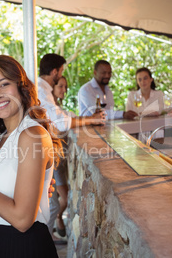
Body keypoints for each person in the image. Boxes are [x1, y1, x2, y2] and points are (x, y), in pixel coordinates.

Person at [0, 55, 61, 257]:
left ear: (21, 87)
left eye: (4, 84)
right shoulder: (2, 139)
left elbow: (23, 220)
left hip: (23, 245)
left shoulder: (32, 135)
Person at [37, 53, 106, 242]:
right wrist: (91, 119)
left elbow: (59, 116)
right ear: (55, 71)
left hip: (46, 152)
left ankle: (44, 242)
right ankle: (43, 246)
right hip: (40, 152)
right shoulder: (41, 91)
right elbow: (59, 122)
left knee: (49, 205)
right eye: (61, 71)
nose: (61, 76)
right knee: (49, 206)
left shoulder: (44, 90)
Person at [50, 76, 73, 238]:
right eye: (60, 86)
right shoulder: (50, 110)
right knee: (65, 198)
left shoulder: (59, 109)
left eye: (65, 87)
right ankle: (57, 218)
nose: (64, 90)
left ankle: (55, 220)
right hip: (56, 161)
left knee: (60, 197)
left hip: (63, 160)